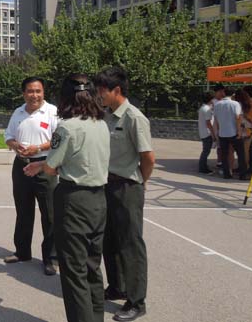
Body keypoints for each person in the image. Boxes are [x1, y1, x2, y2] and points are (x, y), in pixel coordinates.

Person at [24, 73, 110, 322]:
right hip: (98, 199)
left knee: (74, 270)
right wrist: (44, 165)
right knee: (92, 265)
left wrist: (43, 165)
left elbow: (52, 167)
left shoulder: (67, 127)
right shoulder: (101, 124)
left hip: (74, 201)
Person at [94, 67, 154, 322]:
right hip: (106, 184)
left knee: (130, 244)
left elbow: (148, 158)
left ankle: (137, 301)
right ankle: (117, 286)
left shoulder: (134, 117)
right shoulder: (107, 116)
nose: (98, 95)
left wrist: (141, 181)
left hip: (127, 187)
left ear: (116, 90)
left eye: (101, 91)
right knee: (109, 240)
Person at [3, 76, 59, 275]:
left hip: (45, 166)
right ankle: (22, 251)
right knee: (23, 211)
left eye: (38, 91)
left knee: (50, 214)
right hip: (21, 166)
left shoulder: (53, 112)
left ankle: (51, 258)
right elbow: (8, 136)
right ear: (23, 93)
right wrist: (14, 145)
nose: (34, 95)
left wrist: (38, 148)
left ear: (43, 92)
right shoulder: (18, 112)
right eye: (30, 91)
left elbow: (59, 140)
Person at [213, 86, 247, 180]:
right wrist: (239, 131)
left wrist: (217, 132)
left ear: (224, 93)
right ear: (233, 94)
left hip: (222, 133)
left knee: (224, 155)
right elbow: (238, 118)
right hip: (234, 132)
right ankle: (242, 175)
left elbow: (216, 120)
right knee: (241, 154)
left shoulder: (217, 104)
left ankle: (227, 174)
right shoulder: (235, 104)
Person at [197, 91, 215, 174]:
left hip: (203, 132)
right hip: (207, 133)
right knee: (206, 151)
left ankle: (203, 166)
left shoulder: (202, 108)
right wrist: (213, 134)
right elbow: (208, 123)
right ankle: (202, 168)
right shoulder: (207, 109)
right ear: (210, 99)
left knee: (205, 150)